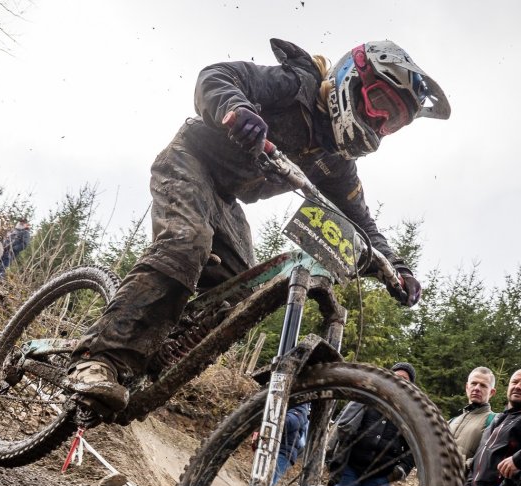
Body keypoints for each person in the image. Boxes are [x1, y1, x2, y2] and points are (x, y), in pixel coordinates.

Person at [63, 39, 450, 412]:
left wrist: (395, 266)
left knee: (239, 290)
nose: (379, 121)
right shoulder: (296, 85)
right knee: (187, 244)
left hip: (225, 199)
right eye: (379, 103)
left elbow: (360, 221)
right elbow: (216, 76)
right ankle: (98, 358)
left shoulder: (337, 161)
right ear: (351, 78)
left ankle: (155, 352)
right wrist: (236, 108)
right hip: (190, 160)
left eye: (392, 121)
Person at [324, 362, 417, 486]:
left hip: (380, 477)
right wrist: (334, 457)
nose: (398, 380)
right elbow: (344, 425)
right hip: (350, 468)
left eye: (404, 379)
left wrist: (400, 470)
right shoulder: (368, 398)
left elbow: (414, 449)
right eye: (395, 375)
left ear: (410, 385)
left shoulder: (410, 413)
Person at [448, 367, 497, 469]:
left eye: (483, 385)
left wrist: (452, 468)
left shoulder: (495, 421)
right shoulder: (451, 422)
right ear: (467, 387)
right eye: (473, 383)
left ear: (492, 392)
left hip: (462, 479)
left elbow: (487, 461)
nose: (477, 388)